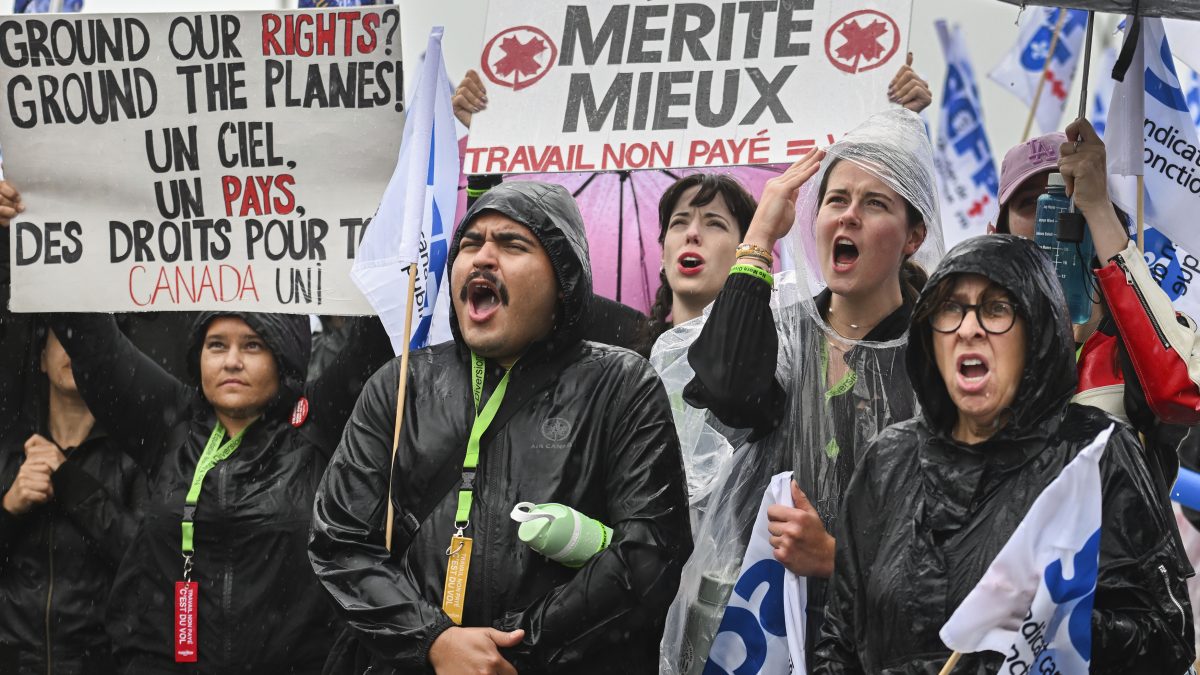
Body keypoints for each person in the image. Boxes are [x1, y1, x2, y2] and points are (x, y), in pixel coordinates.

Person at [308, 181, 693, 674]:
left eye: (513, 244)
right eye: (471, 244)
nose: (483, 258)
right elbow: (339, 540)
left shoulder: (622, 385)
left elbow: (649, 551)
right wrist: (433, 641)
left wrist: (513, 649)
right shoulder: (401, 384)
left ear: (563, 278)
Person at [814, 234, 1195, 673]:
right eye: (950, 309)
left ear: (1037, 329)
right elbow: (839, 640)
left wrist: (1053, 620)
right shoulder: (889, 458)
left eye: (996, 309)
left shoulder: (1096, 455)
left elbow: (1166, 641)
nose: (968, 328)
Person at [665, 108, 945, 663]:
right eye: (836, 200)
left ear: (914, 236)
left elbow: (948, 532)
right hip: (762, 623)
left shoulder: (936, 357)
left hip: (880, 642)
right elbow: (725, 389)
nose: (849, 218)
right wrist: (760, 236)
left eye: (875, 204)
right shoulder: (784, 335)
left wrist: (837, 559)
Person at [39, 305, 392, 672]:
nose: (232, 361)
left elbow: (379, 331)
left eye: (253, 346)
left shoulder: (317, 422)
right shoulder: (170, 421)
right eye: (217, 345)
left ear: (284, 354)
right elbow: (94, 342)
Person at [993, 121, 1200, 492]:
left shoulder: (1149, 339)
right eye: (1030, 204)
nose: (1051, 216)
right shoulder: (973, 340)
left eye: (1068, 198)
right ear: (998, 236)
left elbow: (1180, 394)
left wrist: (1097, 206)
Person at [0, 325, 145, 674]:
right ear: (41, 360)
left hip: (100, 663)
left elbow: (147, 562)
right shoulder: (8, 453)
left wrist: (71, 483)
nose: (74, 346)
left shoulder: (136, 456)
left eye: (87, 335)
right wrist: (8, 509)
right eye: (63, 336)